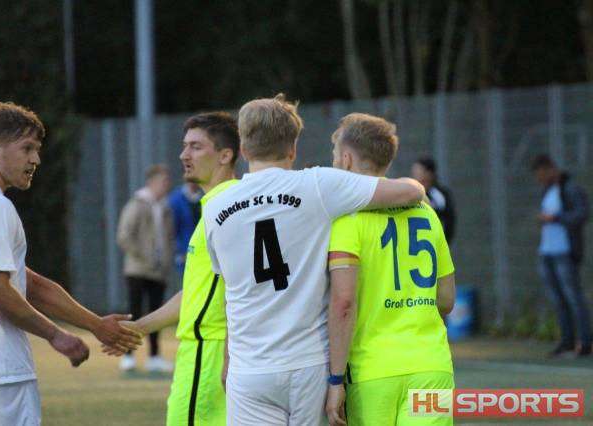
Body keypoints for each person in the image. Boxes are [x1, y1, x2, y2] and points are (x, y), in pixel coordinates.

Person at [201, 94, 425, 425]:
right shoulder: (318, 185)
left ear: (243, 150)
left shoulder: (214, 207)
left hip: (249, 366)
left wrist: (227, 358)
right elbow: (411, 192)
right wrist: (413, 182)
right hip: (309, 363)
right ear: (293, 149)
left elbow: (231, 290)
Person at [0, 102, 142, 426]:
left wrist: (95, 324)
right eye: (27, 148)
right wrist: (55, 335)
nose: (36, 160)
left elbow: (29, 284)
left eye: (37, 150)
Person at [104, 111, 240, 425]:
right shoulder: (218, 208)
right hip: (208, 353)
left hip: (208, 355)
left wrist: (228, 355)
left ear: (225, 155)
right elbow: (195, 294)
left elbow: (239, 290)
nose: (184, 155)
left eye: (195, 147)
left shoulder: (224, 211)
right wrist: (139, 328)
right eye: (184, 146)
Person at [325, 113, 456, 426]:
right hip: (431, 365)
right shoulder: (427, 213)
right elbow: (446, 300)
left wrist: (335, 380)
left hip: (373, 371)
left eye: (335, 155)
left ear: (346, 160)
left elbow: (343, 304)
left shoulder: (347, 220)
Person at [117, 164, 175, 373]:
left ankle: (154, 356)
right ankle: (128, 356)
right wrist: (144, 256)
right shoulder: (137, 204)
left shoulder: (165, 207)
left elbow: (168, 238)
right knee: (134, 313)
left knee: (156, 314)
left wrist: (164, 260)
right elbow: (124, 235)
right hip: (137, 269)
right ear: (151, 182)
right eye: (163, 181)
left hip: (158, 271)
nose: (166, 185)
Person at [531, 154, 591, 357]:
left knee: (574, 297)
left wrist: (555, 218)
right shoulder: (546, 191)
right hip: (547, 252)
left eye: (541, 174)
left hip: (564, 252)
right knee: (557, 299)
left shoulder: (570, 189)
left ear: (549, 169)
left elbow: (582, 214)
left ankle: (585, 341)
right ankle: (567, 341)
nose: (539, 179)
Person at [411, 157, 456, 243]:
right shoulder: (410, 195)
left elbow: (449, 221)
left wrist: (443, 242)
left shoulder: (440, 195)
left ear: (429, 174)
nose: (414, 176)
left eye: (418, 172)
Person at [168, 182, 203, 276]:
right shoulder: (176, 200)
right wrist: (178, 251)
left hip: (202, 252)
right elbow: (170, 230)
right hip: (183, 254)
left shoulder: (205, 196)